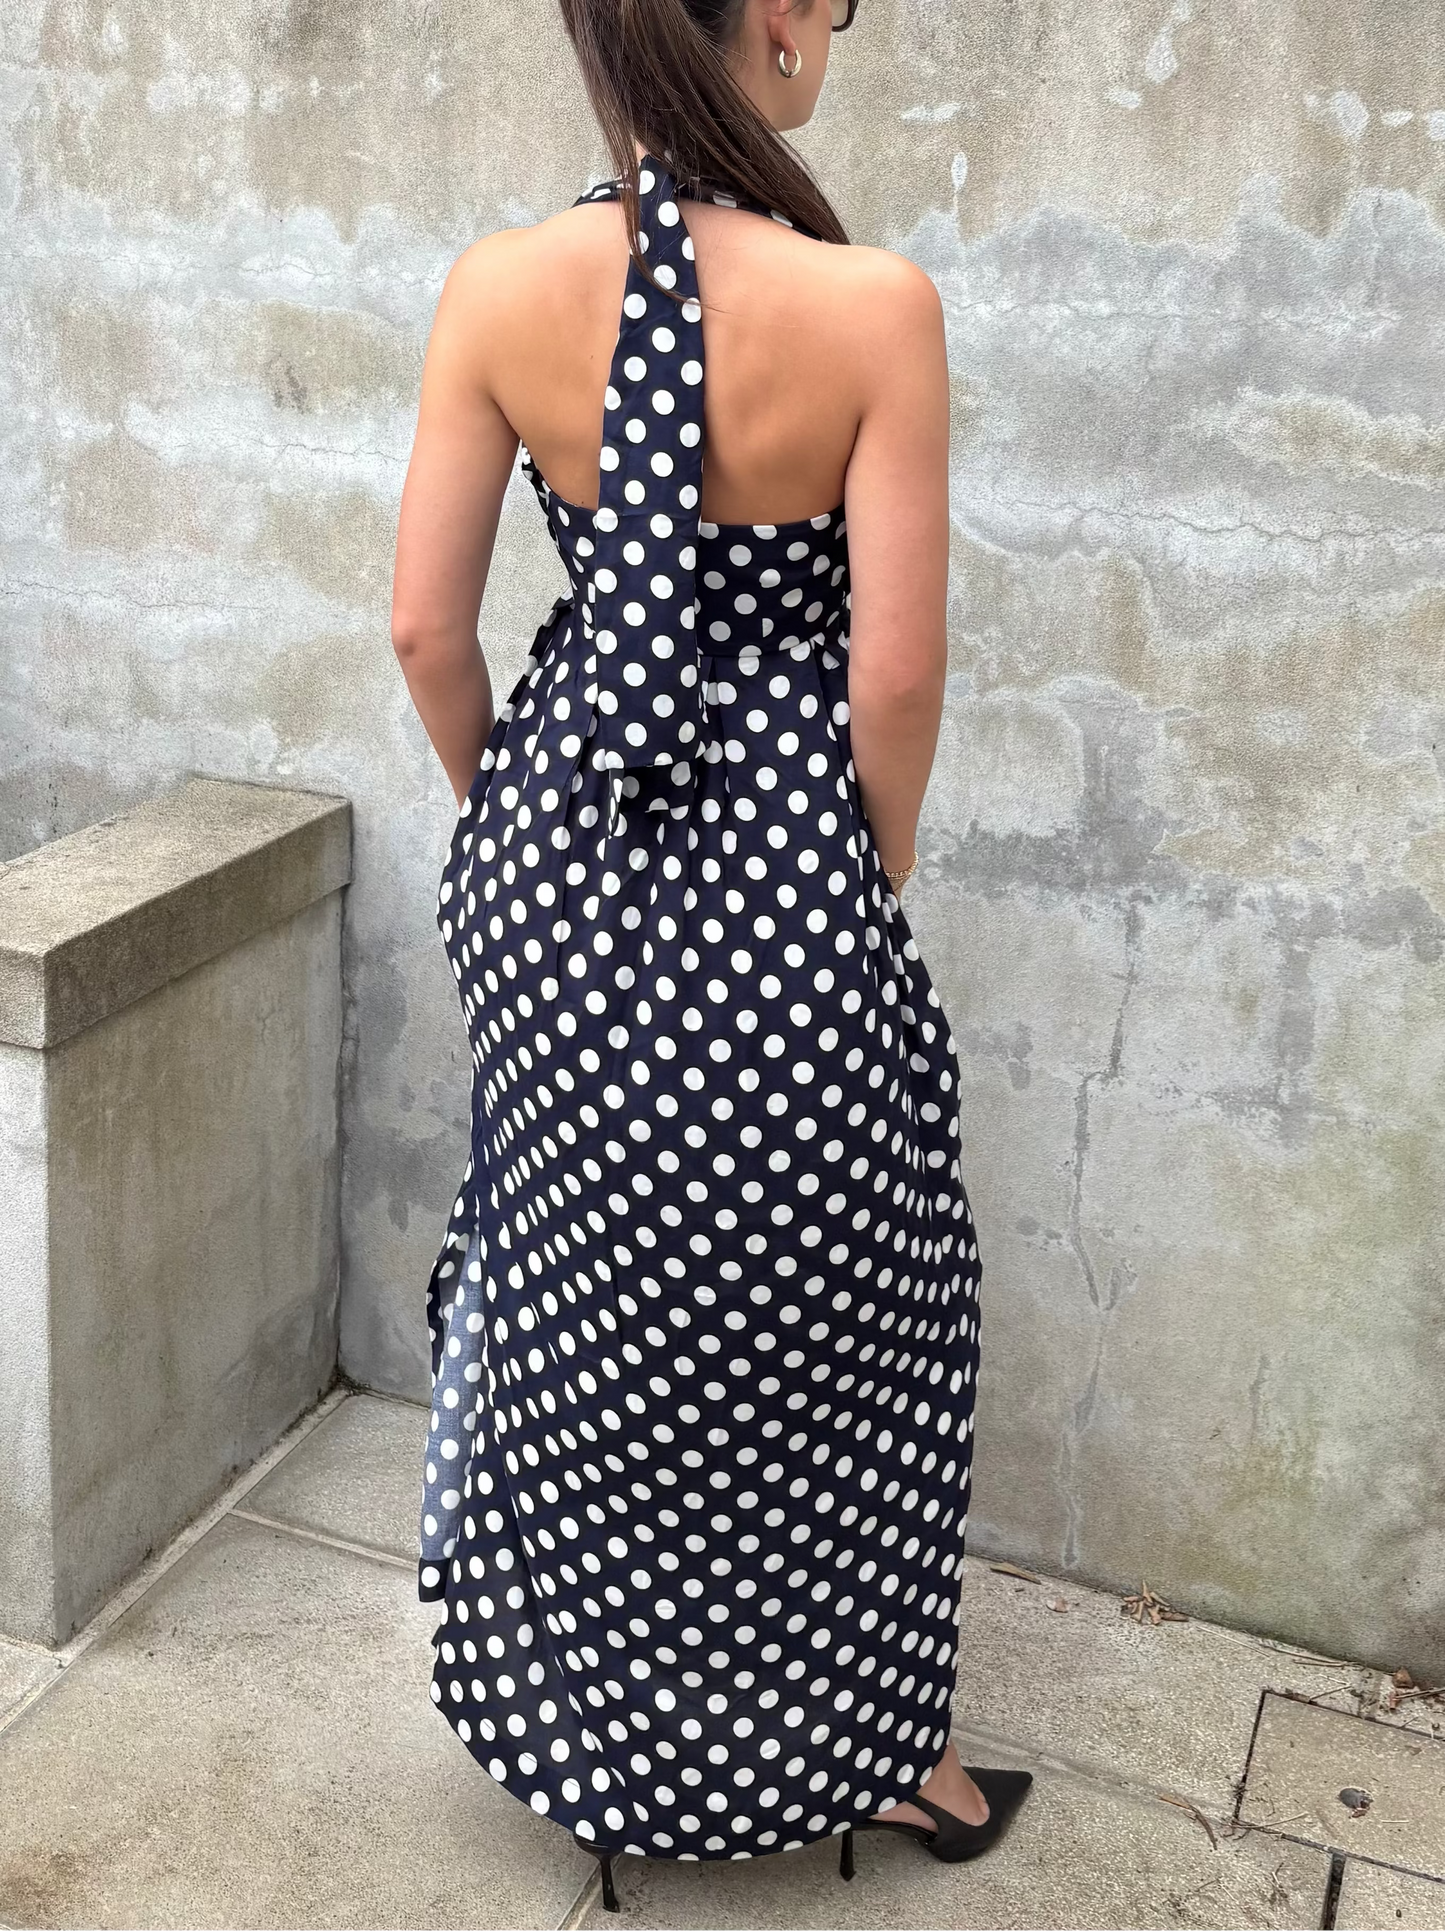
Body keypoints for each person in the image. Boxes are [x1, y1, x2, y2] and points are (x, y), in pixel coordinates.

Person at [390, 0, 1032, 1906]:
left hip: (560, 882)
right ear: (765, 19)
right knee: (848, 1332)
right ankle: (871, 1754)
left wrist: (521, 817)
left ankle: (591, 1735)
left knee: (588, 1320)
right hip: (792, 892)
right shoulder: (872, 308)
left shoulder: (499, 289)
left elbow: (428, 631)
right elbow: (893, 674)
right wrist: (859, 874)